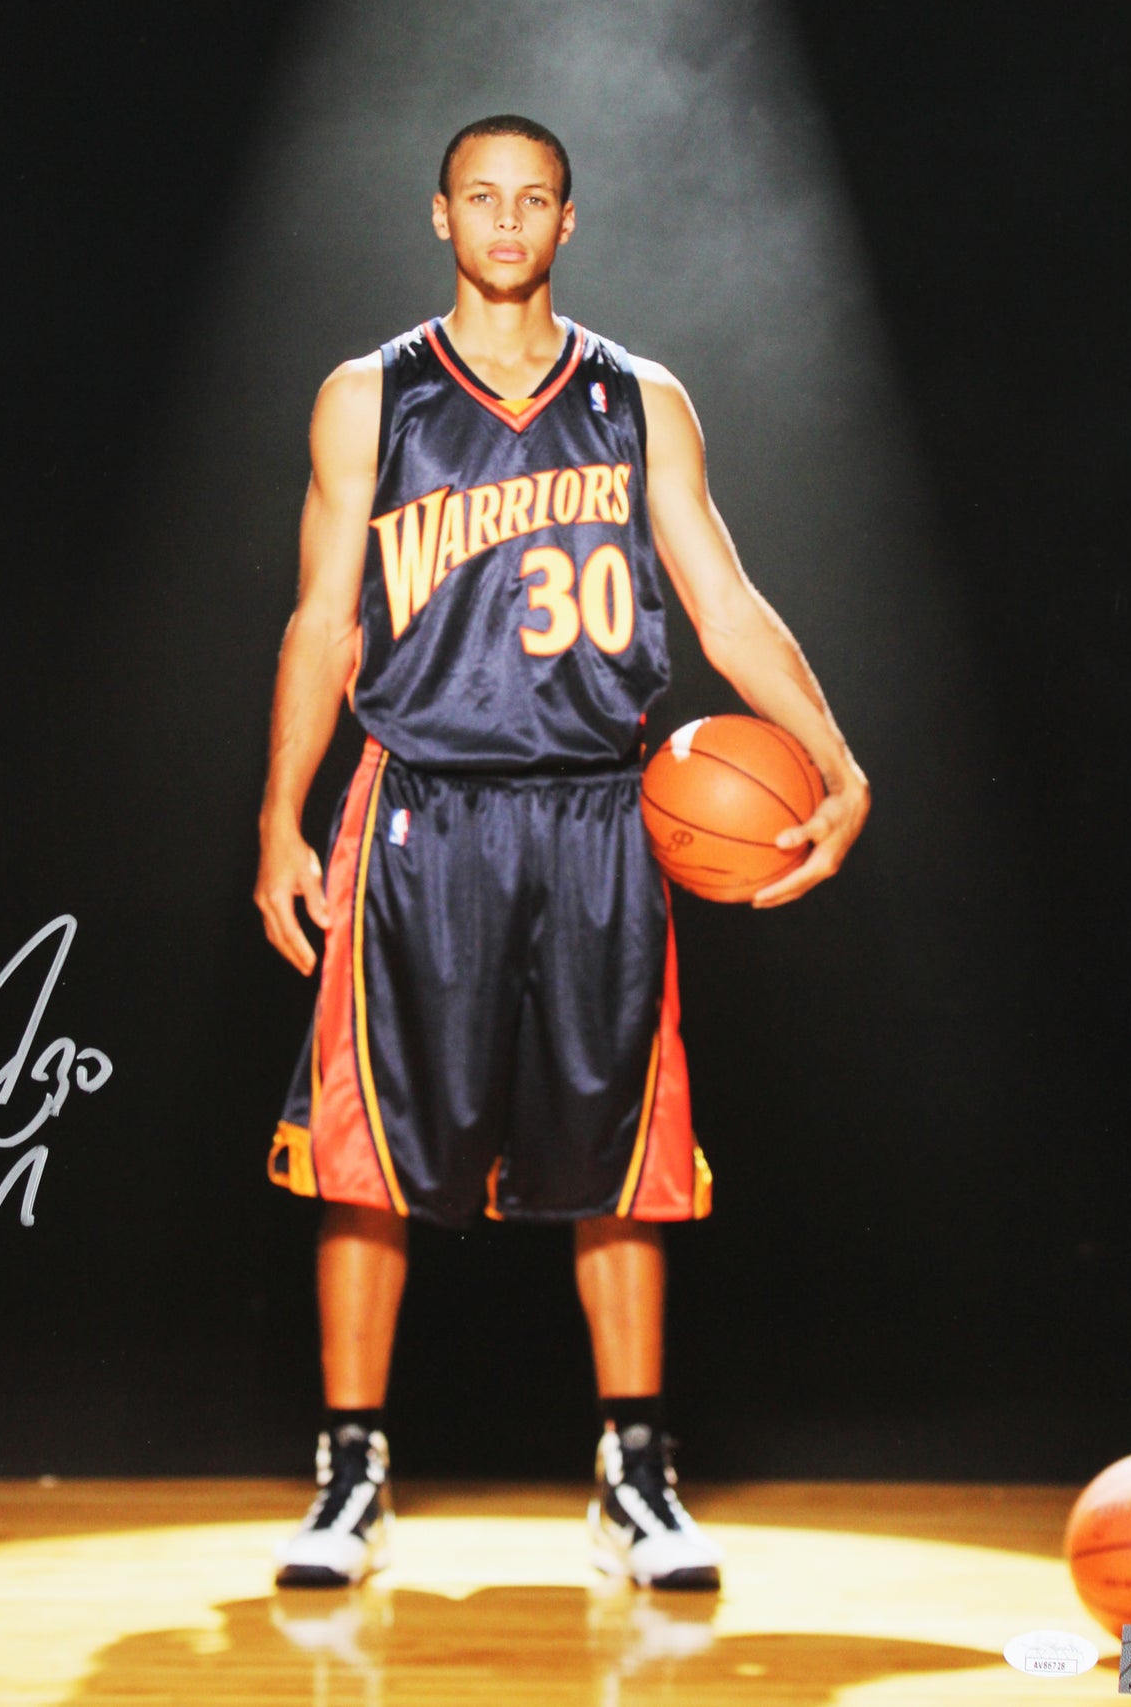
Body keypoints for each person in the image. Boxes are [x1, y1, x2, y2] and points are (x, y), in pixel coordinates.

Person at [255, 114, 870, 1589]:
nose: (507, 220)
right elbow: (324, 622)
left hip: (600, 808)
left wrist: (838, 759)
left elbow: (723, 604)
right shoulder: (371, 396)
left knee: (623, 1149)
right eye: (482, 196)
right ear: (441, 215)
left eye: (534, 198)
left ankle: (635, 1471)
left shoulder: (640, 398)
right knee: (366, 1149)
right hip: (419, 803)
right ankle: (351, 1468)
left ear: (569, 222)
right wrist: (280, 818)